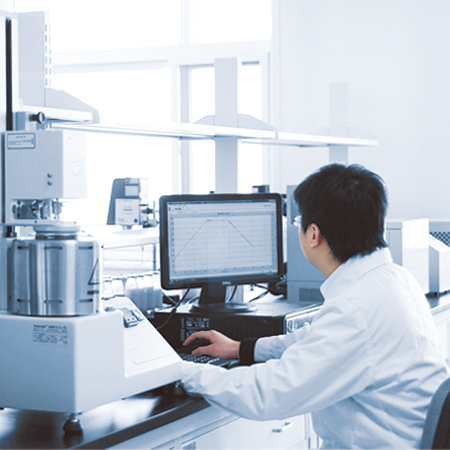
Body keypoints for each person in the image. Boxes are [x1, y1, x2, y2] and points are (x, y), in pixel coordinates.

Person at [181, 163, 449, 449]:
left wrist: (183, 372)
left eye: (298, 222)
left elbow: (270, 393)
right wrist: (242, 348)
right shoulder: (393, 279)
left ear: (313, 234)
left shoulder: (355, 308)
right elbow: (316, 339)